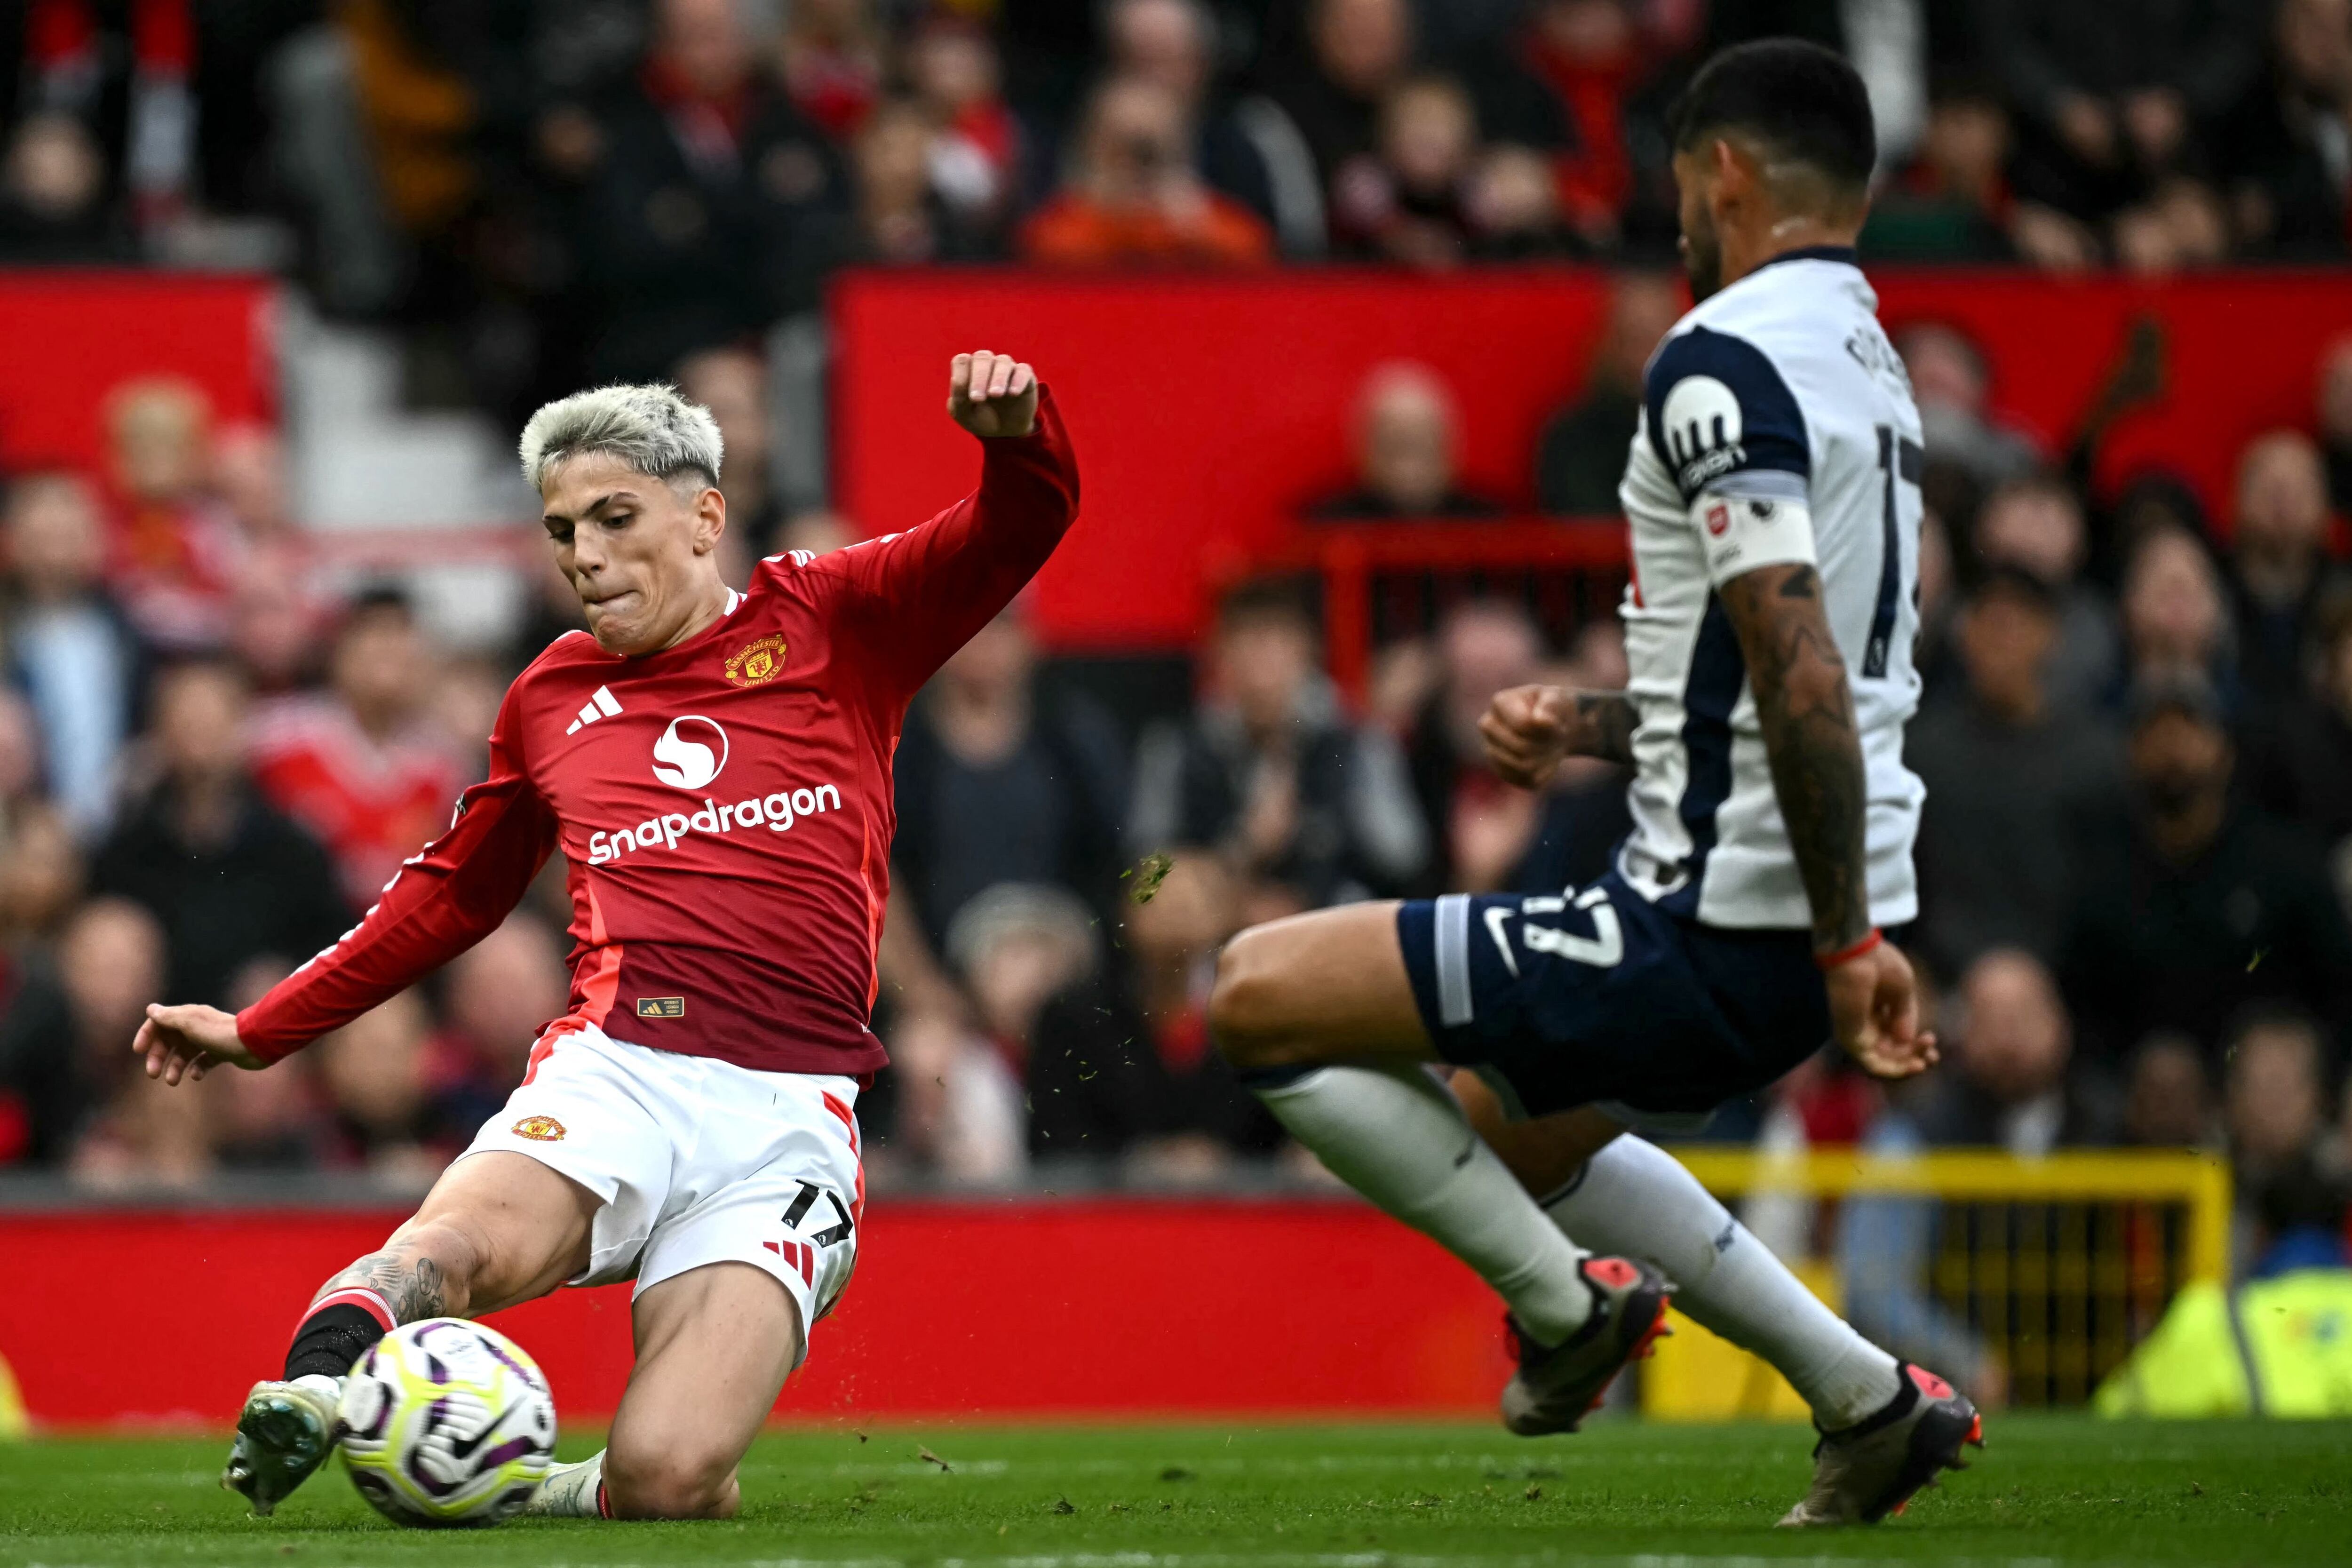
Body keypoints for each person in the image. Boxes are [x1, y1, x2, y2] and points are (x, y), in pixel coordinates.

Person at [1209, 41, 1978, 1528]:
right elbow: (1792, 684)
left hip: (1717, 917)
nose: (1676, 216)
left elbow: (1804, 670)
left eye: (1684, 186)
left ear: (1726, 179)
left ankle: (1564, 1311)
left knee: (1257, 992)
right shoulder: (1870, 366)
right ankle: (1871, 1399)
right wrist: (1593, 722)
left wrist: (1838, 948)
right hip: (1795, 892)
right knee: (1514, 1122)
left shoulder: (1719, 355)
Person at [133, 350, 1080, 1520]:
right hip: (615, 1069)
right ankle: (317, 1392)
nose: (582, 553)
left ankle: (523, 1489)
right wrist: (261, 1030)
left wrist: (1017, 431)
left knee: (668, 1475)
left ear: (704, 517)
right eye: (561, 527)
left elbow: (1023, 520)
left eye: (613, 517)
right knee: (452, 1243)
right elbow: (449, 894)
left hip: (787, 1121)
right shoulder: (548, 694)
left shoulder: (839, 618)